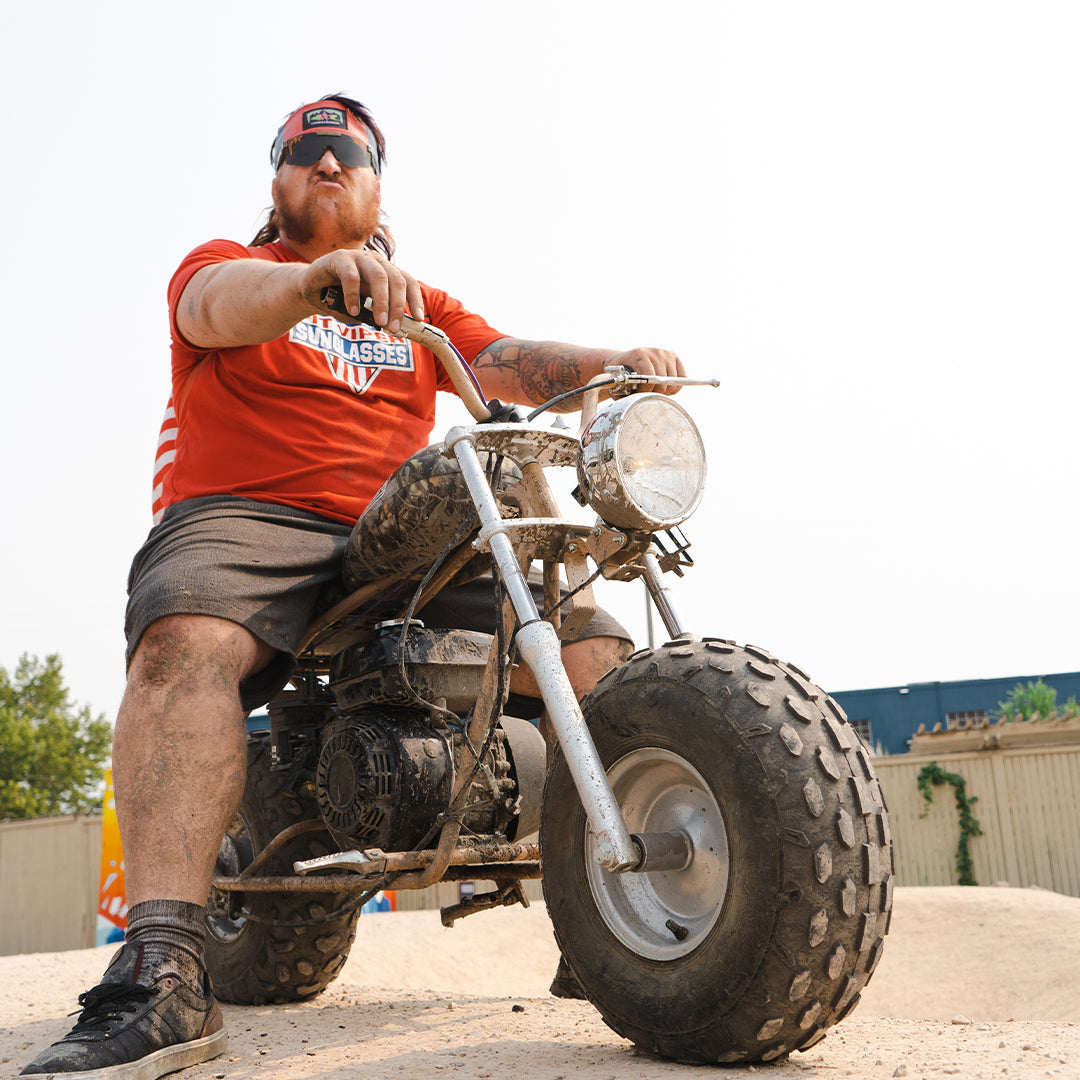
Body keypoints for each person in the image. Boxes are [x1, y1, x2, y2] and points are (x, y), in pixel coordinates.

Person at [21, 94, 684, 1079]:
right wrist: (309, 287)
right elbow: (213, 305)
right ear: (278, 179)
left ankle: (616, 919)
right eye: (306, 151)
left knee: (586, 637)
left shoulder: (418, 305)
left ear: (378, 190)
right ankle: (164, 971)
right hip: (249, 512)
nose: (328, 164)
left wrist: (613, 366)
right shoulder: (230, 272)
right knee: (182, 641)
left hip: (393, 534)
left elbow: (503, 364)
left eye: (350, 154)